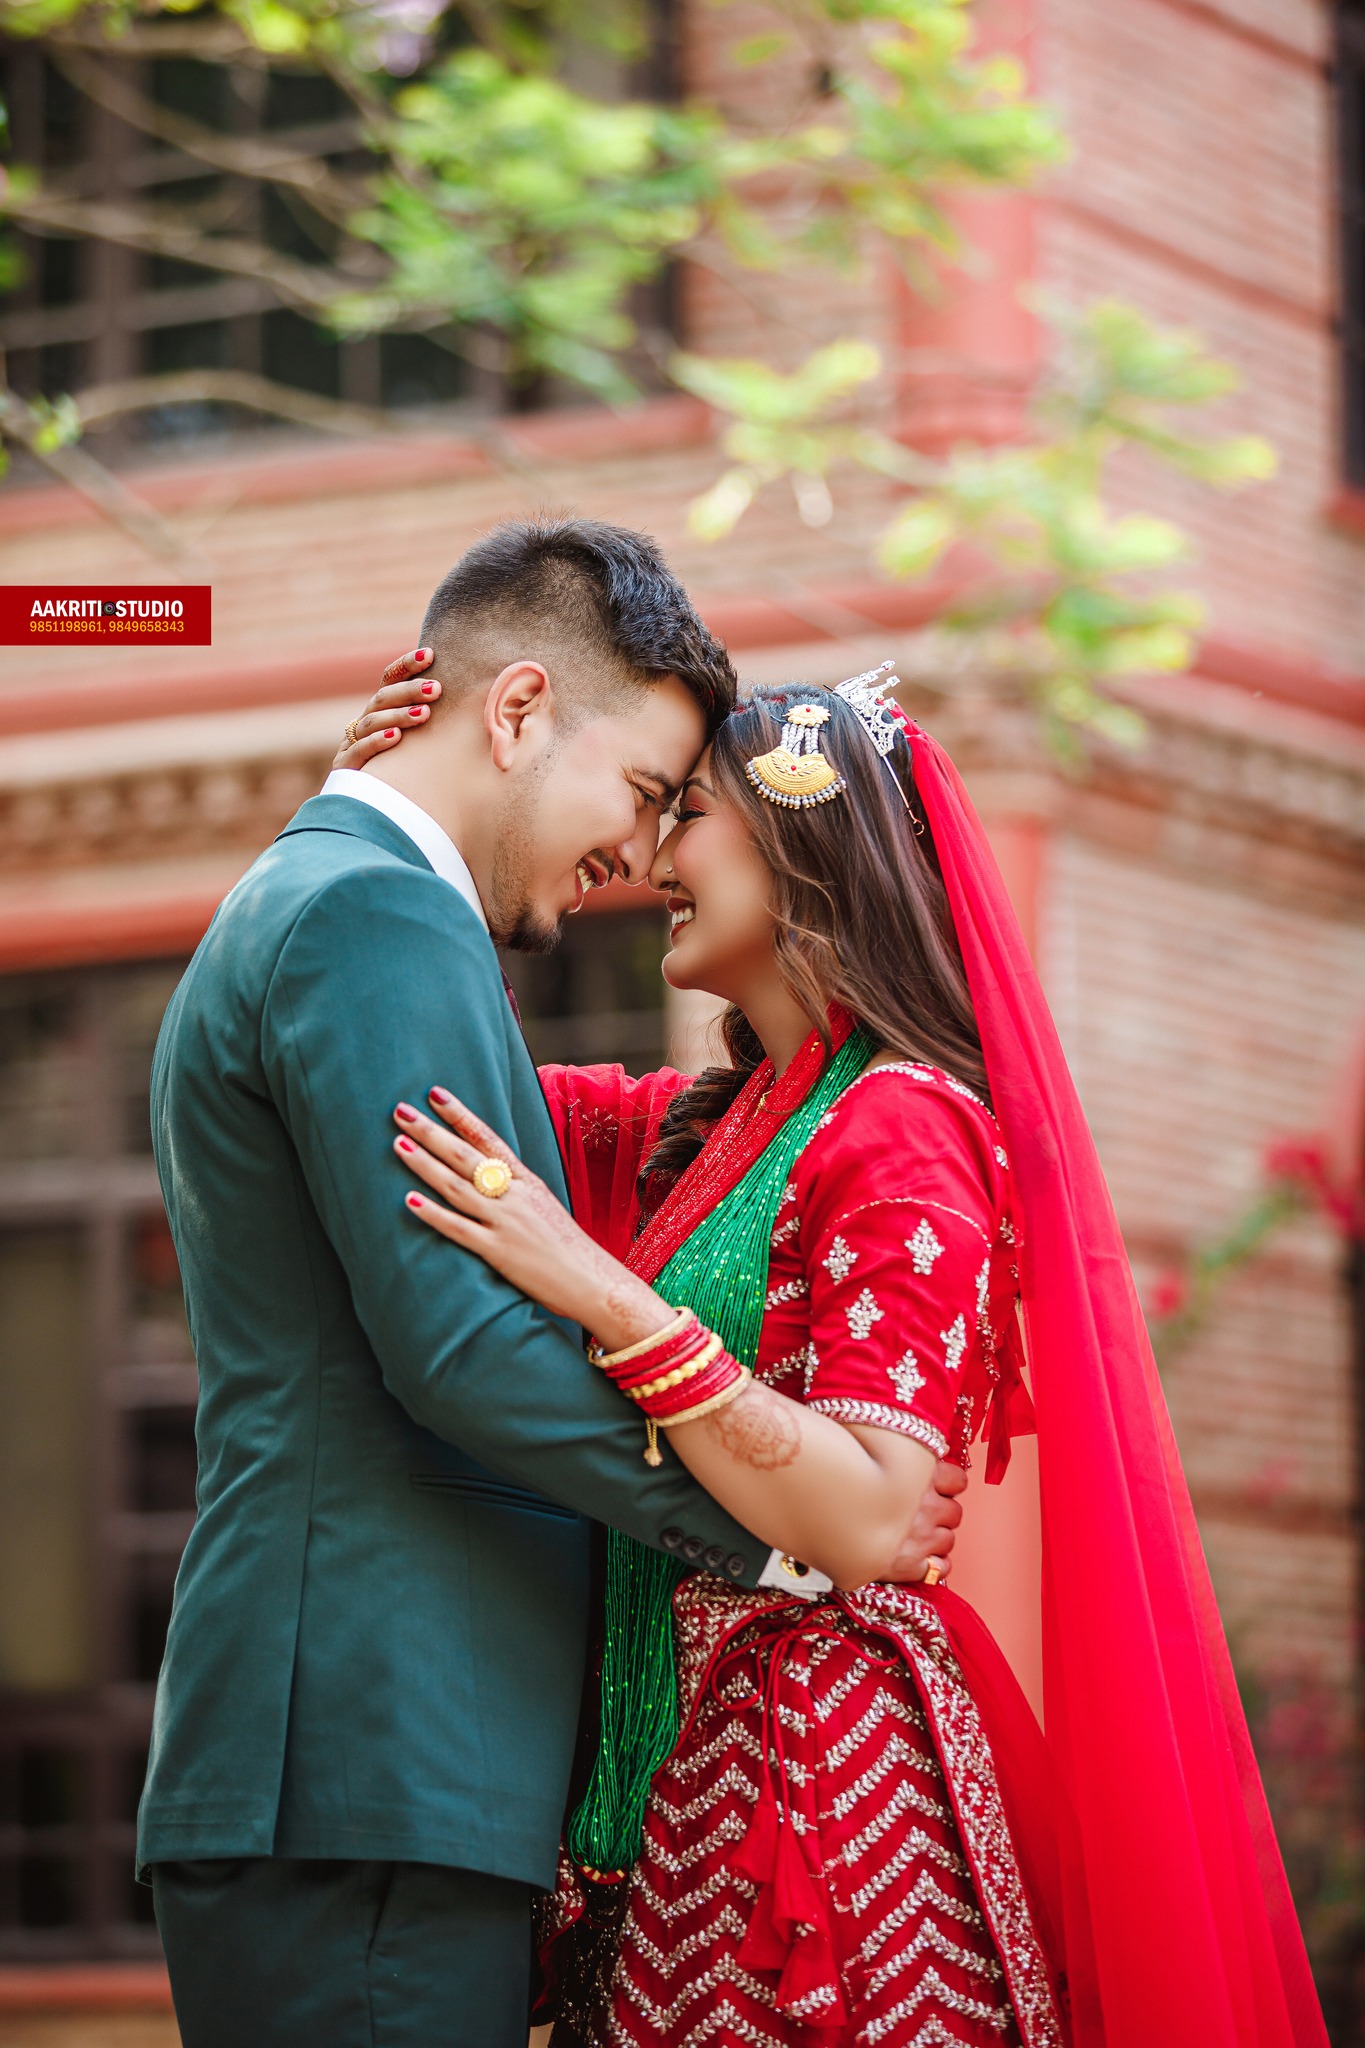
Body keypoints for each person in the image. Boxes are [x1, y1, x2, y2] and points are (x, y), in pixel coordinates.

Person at [338, 660, 1330, 2047]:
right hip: (675, 1785)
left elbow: (868, 1515)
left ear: (802, 839)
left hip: (810, 1804)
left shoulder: (903, 1122)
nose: (650, 859)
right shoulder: (707, 1133)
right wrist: (399, 812)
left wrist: (598, 1291)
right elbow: (427, 1066)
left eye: (688, 813)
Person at [139, 520, 964, 2048]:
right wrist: (783, 1533)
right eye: (647, 793)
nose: (640, 858)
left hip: (375, 1761)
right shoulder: (373, 914)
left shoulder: (343, 899)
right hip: (372, 1755)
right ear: (518, 710)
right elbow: (457, 1349)